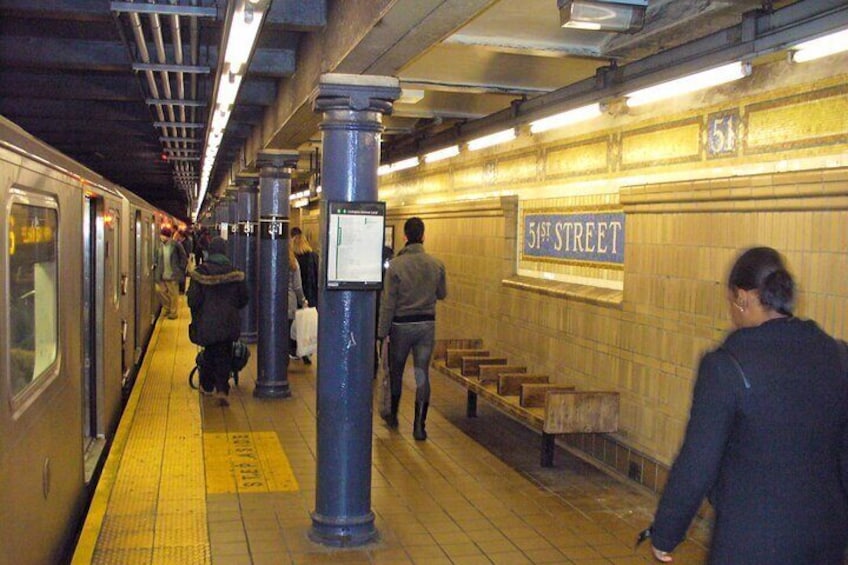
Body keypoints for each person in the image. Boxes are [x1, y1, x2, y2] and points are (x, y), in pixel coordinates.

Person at [644, 246, 848, 564]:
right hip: (825, 540)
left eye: (730, 302)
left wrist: (666, 533)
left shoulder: (726, 366)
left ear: (742, 297)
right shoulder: (837, 356)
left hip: (752, 542)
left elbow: (698, 460)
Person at [377, 217, 447, 440]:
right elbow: (442, 294)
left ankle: (394, 416)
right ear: (423, 236)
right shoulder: (436, 264)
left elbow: (388, 302)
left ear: (405, 237)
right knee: (422, 375)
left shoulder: (395, 266)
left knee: (396, 372)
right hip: (426, 325)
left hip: (401, 326)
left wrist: (381, 332)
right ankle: (419, 426)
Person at [187, 237, 248, 406]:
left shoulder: (200, 273)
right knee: (224, 353)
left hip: (207, 323)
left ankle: (207, 385)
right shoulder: (235, 272)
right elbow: (243, 299)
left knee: (210, 352)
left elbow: (192, 300)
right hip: (229, 323)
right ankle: (221, 388)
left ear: (210, 252)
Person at [290, 227, 319, 364]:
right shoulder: (313, 256)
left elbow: (296, 284)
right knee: (305, 326)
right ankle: (306, 352)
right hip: (310, 294)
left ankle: (295, 349)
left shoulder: (292, 258)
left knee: (295, 325)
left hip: (297, 296)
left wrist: (301, 298)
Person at [153, 225, 187, 319]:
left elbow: (183, 257)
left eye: (162, 235)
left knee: (173, 295)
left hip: (173, 274)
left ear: (167, 236)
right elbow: (156, 257)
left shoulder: (175, 245)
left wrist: (181, 269)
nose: (161, 237)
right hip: (162, 274)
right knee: (159, 291)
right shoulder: (160, 245)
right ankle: (167, 307)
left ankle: (173, 312)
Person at [287, 244, 308, 363]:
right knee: (289, 331)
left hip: (275, 304)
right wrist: (303, 300)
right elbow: (297, 286)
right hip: (290, 303)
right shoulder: (293, 263)